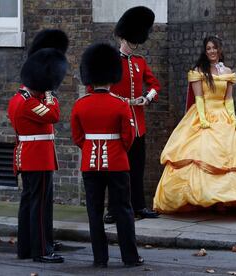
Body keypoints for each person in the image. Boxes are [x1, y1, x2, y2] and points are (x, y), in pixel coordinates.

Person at [153, 36, 236, 216]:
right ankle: (203, 200)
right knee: (203, 153)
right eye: (209, 48)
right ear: (205, 51)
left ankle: (226, 200)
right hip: (204, 114)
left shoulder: (227, 71)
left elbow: (229, 98)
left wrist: (232, 118)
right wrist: (203, 119)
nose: (212, 51)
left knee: (233, 156)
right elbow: (199, 98)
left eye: (215, 48)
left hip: (224, 115)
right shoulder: (198, 71)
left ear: (219, 50)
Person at [71, 43, 143, 267]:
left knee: (94, 212)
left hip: (90, 165)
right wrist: (118, 150)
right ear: (112, 77)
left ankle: (100, 258)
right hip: (117, 162)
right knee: (123, 210)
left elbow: (78, 137)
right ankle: (130, 257)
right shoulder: (120, 105)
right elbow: (128, 136)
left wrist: (92, 147)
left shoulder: (80, 105)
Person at [8, 29, 68, 263]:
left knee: (29, 203)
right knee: (40, 206)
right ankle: (42, 250)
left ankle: (26, 247)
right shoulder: (28, 103)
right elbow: (54, 115)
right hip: (37, 158)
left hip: (30, 156)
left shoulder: (19, 99)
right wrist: (51, 93)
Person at [102, 6, 161, 222]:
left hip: (138, 125)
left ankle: (139, 206)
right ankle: (113, 209)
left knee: (137, 169)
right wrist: (121, 102)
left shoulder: (139, 63)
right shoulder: (111, 62)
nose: (134, 45)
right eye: (132, 41)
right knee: (116, 170)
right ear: (123, 38)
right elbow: (99, 91)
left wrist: (147, 98)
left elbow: (155, 85)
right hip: (118, 125)